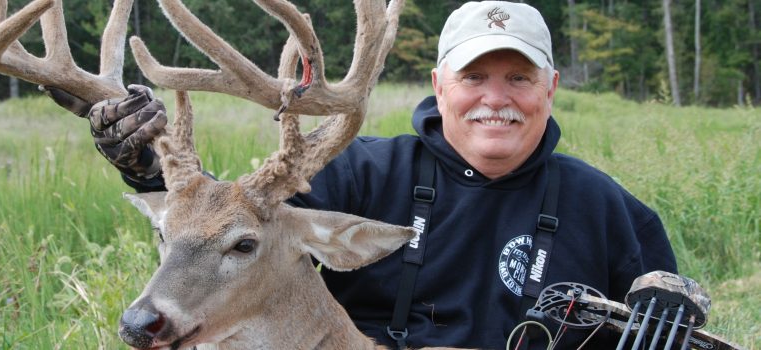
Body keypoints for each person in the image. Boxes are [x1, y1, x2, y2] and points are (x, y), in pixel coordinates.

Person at [46, 1, 677, 348]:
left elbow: (666, 311)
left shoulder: (602, 204)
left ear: (550, 88)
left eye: (519, 77)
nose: (495, 98)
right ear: (440, 86)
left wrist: (675, 301)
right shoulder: (367, 172)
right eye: (474, 77)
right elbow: (235, 226)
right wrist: (144, 158)